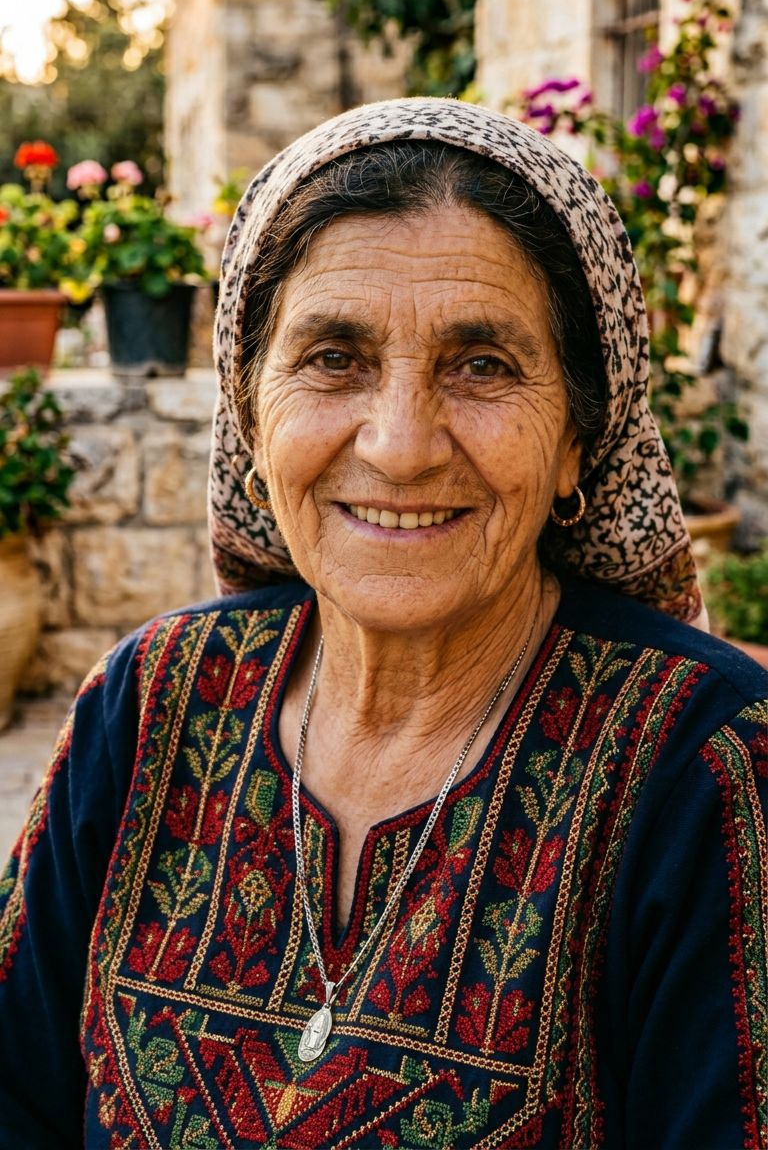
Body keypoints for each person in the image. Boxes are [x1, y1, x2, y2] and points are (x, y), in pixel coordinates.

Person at [0, 98, 765, 1149]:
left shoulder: (708, 771)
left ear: (582, 438)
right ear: (252, 415)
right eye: (334, 357)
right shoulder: (153, 700)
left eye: (483, 365)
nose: (401, 445)